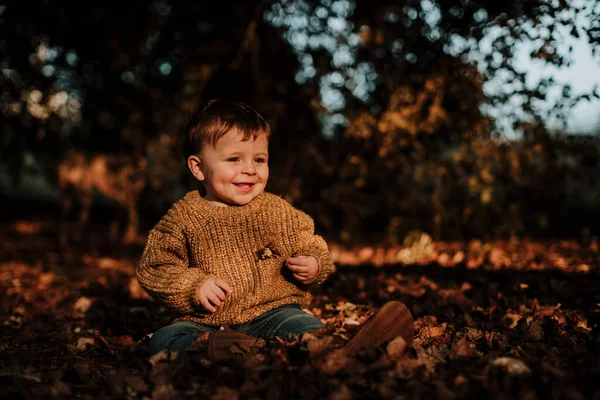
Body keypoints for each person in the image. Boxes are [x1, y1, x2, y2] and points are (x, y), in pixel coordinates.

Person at [137, 99, 413, 361]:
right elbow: (155, 267)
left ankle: (344, 349)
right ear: (198, 168)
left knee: (304, 325)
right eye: (234, 159)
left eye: (259, 160)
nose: (249, 169)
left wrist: (314, 263)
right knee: (165, 338)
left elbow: (310, 241)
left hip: (274, 312)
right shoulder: (184, 215)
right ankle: (220, 352)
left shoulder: (277, 211)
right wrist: (194, 286)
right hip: (205, 322)